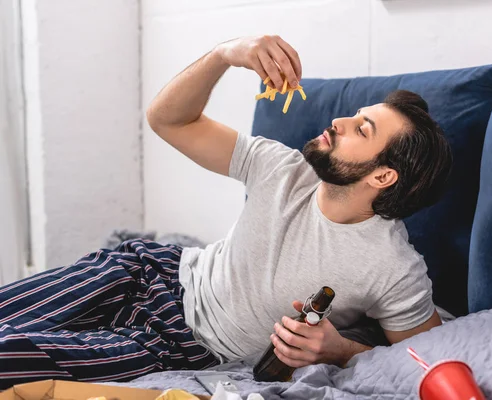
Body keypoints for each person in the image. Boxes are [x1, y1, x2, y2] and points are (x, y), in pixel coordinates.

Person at [0, 35, 452, 388]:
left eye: (362, 128)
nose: (339, 121)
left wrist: (338, 350)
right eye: (355, 115)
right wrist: (225, 54)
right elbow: (168, 119)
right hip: (148, 272)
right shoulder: (282, 166)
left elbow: (424, 360)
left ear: (383, 177)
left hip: (178, 345)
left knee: (10, 354)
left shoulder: (392, 268)